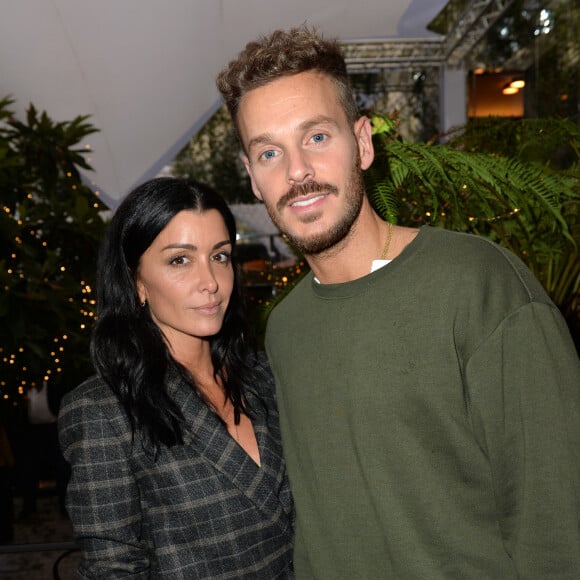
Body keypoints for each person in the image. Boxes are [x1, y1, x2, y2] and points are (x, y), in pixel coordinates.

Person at [216, 26, 580, 579]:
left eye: (316, 137)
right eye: (270, 151)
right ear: (252, 177)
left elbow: (556, 523)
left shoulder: (478, 285)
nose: (297, 172)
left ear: (362, 143)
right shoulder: (284, 328)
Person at [58, 177, 294, 578]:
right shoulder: (104, 411)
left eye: (219, 256)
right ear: (137, 281)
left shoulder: (265, 375)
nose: (211, 282)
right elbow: (113, 570)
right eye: (179, 260)